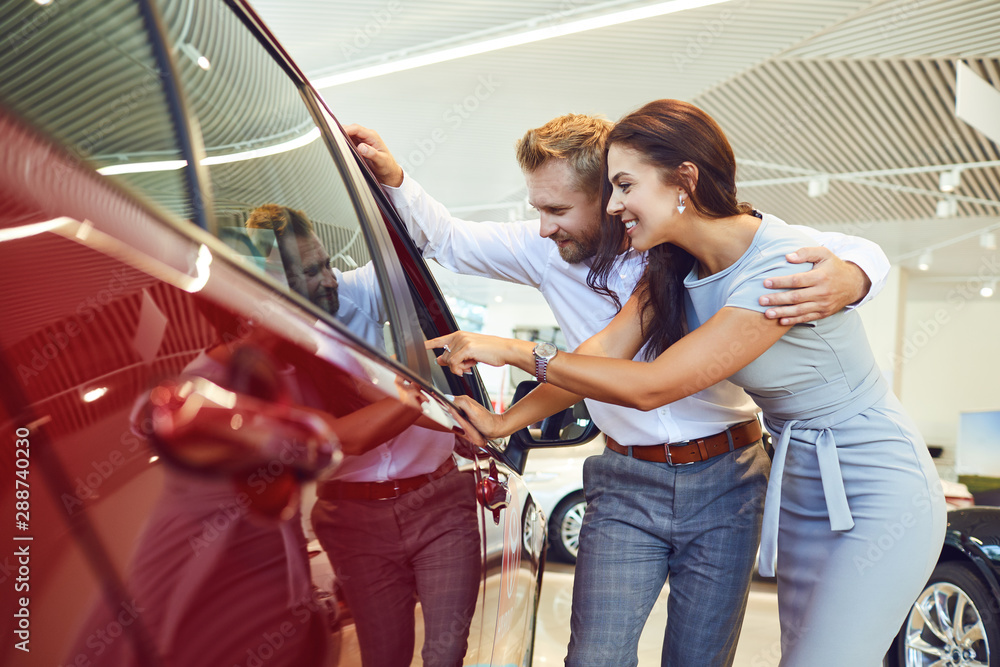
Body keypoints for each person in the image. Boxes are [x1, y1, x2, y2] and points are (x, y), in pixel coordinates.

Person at [348, 116, 891, 666]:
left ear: (611, 191)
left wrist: (852, 278)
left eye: (558, 210)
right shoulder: (548, 251)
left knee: (699, 659)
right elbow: (454, 246)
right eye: (538, 208)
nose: (542, 227)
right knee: (594, 659)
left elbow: (846, 248)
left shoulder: (683, 248)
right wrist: (394, 178)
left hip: (730, 476)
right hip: (627, 479)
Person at [245, 204, 482, 667]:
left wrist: (390, 181)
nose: (330, 280)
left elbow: (412, 242)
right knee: (382, 656)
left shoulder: (358, 290)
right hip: (354, 518)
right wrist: (428, 403)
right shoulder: (269, 353)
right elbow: (342, 440)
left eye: (326, 264)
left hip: (439, 502)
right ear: (274, 282)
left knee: (446, 653)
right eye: (310, 274)